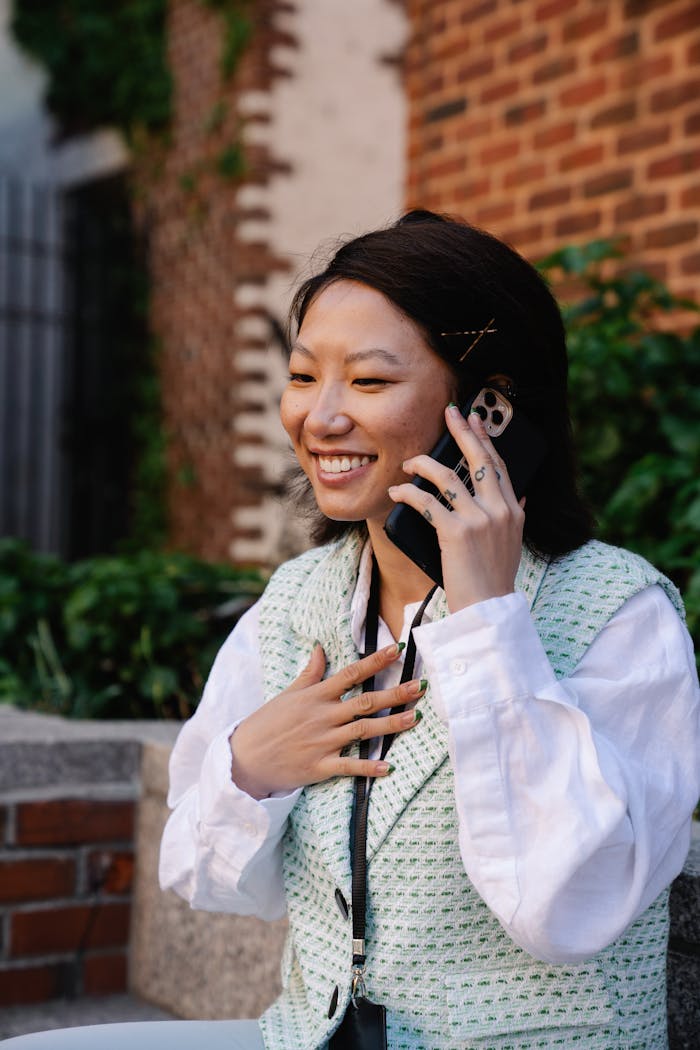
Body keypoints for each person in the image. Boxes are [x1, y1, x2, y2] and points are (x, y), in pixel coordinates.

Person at [7, 211, 699, 1049]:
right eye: (304, 376)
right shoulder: (297, 601)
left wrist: (487, 623)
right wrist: (249, 768)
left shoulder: (619, 613)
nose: (319, 418)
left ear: (490, 410)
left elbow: (568, 905)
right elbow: (204, 878)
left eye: (368, 383)